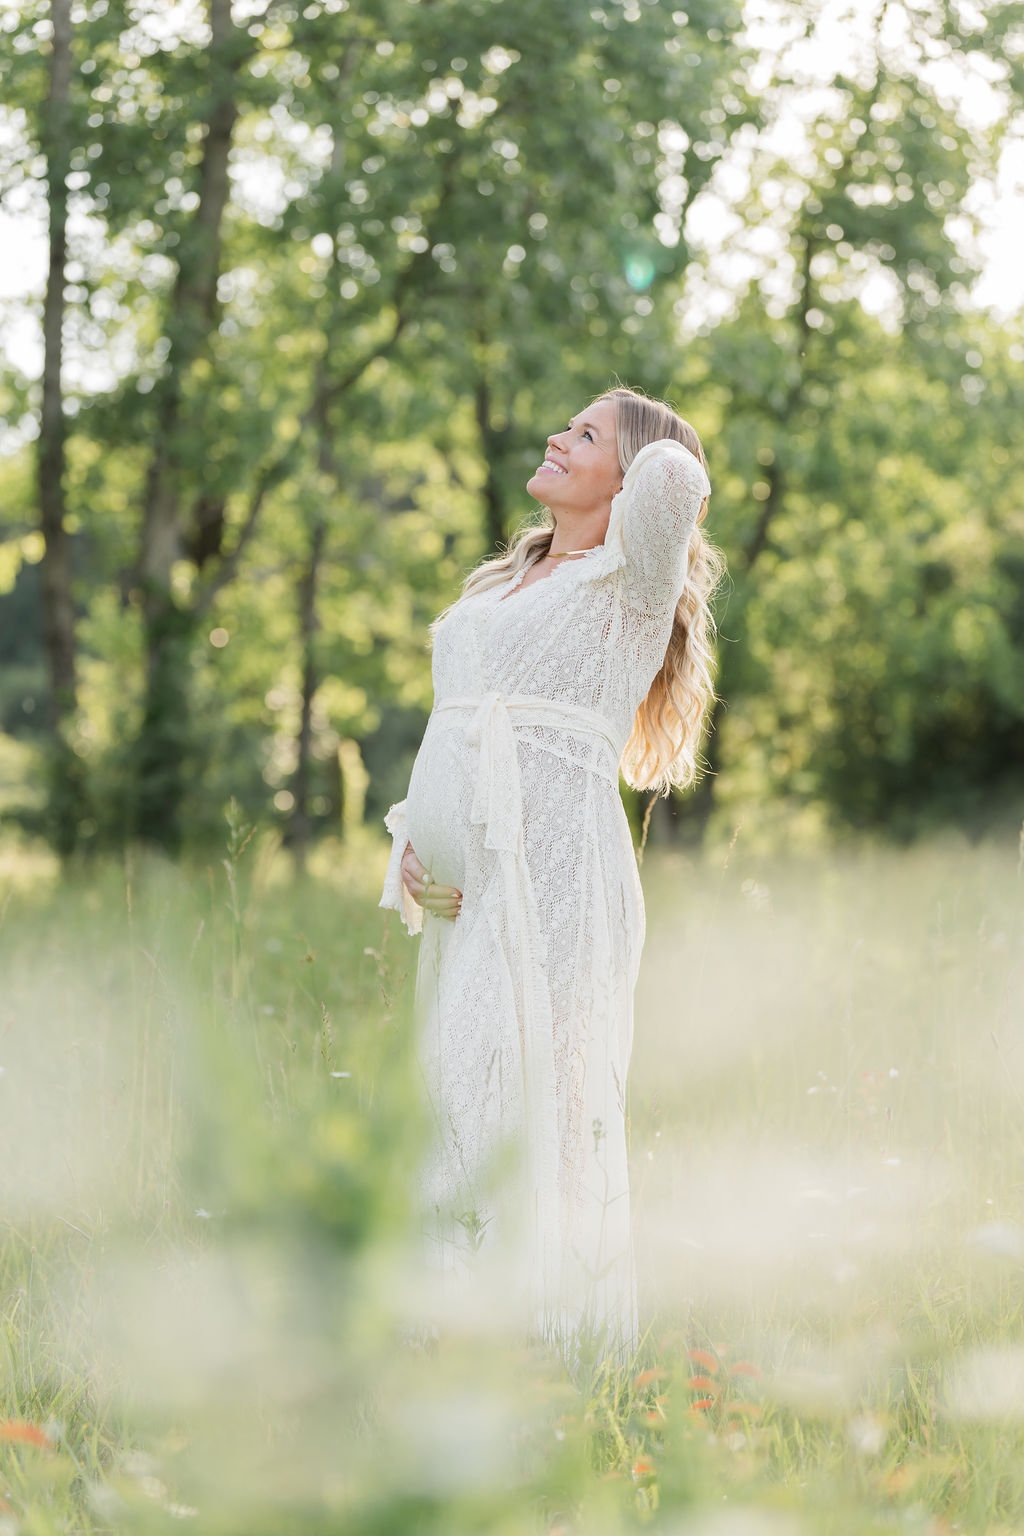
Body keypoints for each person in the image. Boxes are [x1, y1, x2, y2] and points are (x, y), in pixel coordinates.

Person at [379, 384, 725, 1373]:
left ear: (626, 477)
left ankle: (551, 1344)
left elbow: (677, 477)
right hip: (463, 888)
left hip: (555, 873)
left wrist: (641, 431)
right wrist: (409, 839)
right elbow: (456, 725)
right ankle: (451, 1325)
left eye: (582, 435)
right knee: (457, 1087)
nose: (555, 438)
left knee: (542, 1091)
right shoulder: (505, 580)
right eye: (564, 427)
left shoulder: (630, 581)